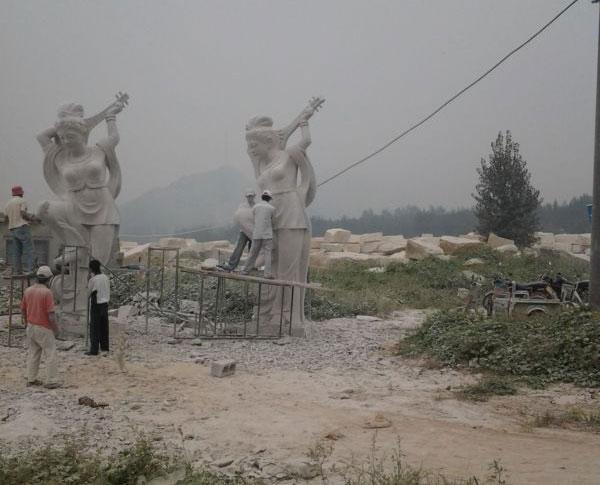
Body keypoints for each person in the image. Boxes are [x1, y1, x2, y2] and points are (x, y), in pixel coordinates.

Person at [245, 97, 323, 324]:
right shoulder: (261, 164)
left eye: (254, 144)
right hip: (270, 213)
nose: (250, 149)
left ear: (268, 141)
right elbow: (262, 187)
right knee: (273, 267)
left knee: (289, 269)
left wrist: (304, 119)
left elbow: (306, 140)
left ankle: (289, 316)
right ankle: (272, 312)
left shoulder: (289, 154)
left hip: (291, 213)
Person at [36, 93, 128, 267]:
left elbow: (114, 138)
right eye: (62, 137)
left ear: (83, 133)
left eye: (70, 136)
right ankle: (76, 246)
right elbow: (41, 136)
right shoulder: (60, 157)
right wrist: (65, 121)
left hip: (102, 208)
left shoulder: (100, 150)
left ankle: (90, 283)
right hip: (73, 207)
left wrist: (110, 117)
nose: (66, 141)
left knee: (97, 263)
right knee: (44, 209)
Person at [21, 266, 60, 389]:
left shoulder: (28, 290)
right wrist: (56, 330)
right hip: (44, 327)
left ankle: (31, 379)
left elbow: (23, 309)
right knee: (50, 353)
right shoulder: (47, 293)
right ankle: (51, 380)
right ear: (49, 279)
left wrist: (26, 323)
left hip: (31, 326)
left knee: (34, 353)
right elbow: (51, 315)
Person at [217, 189, 256, 272]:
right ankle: (231, 265)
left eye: (251, 196)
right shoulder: (242, 206)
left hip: (253, 230)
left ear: (254, 196)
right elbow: (239, 216)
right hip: (244, 231)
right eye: (248, 196)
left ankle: (251, 266)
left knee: (252, 249)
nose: (250, 198)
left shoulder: (256, 206)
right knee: (239, 247)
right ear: (246, 197)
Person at [4, 185, 38, 274]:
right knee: (30, 250)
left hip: (13, 229)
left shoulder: (8, 204)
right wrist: (32, 219)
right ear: (21, 193)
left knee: (16, 252)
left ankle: (17, 271)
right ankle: (31, 270)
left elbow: (6, 219)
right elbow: (23, 214)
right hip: (22, 227)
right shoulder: (22, 201)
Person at [241, 190, 275, 278]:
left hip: (257, 234)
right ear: (269, 199)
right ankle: (267, 274)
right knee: (268, 254)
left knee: (252, 253)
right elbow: (273, 221)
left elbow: (254, 218)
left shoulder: (255, 207)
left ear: (262, 197)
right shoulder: (272, 209)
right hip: (267, 235)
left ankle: (245, 270)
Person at [86, 259, 110, 356]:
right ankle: (105, 347)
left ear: (91, 269)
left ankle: (94, 350)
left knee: (95, 328)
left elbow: (88, 293)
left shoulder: (93, 279)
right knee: (104, 327)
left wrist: (87, 281)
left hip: (96, 304)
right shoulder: (105, 277)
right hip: (105, 304)